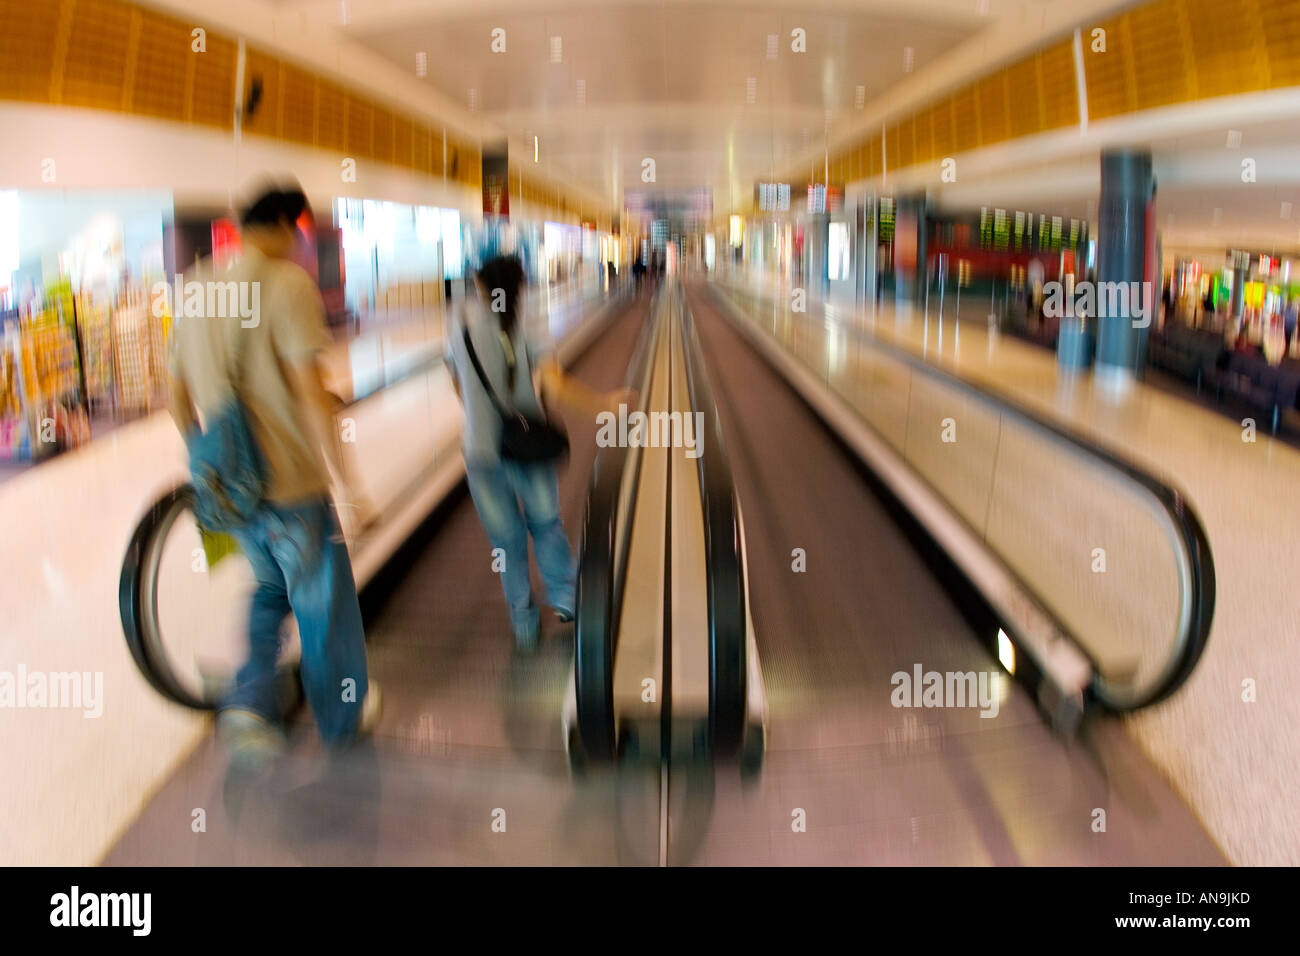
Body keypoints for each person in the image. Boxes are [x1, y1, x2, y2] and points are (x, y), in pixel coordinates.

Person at [167, 180, 379, 766]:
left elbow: (176, 397)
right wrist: (350, 484)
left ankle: (252, 702)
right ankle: (341, 724)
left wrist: (210, 456)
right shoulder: (287, 284)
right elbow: (311, 396)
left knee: (266, 589)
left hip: (228, 493)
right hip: (292, 486)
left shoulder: (196, 289)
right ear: (290, 226)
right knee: (321, 603)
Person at [445, 255, 630, 650]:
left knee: (506, 540)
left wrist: (483, 418)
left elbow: (458, 384)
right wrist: (604, 404)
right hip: (525, 449)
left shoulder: (459, 326)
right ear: (521, 285)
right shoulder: (528, 323)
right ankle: (565, 597)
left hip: (480, 452)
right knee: (545, 525)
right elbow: (556, 385)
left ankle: (524, 622)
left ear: (479, 285)